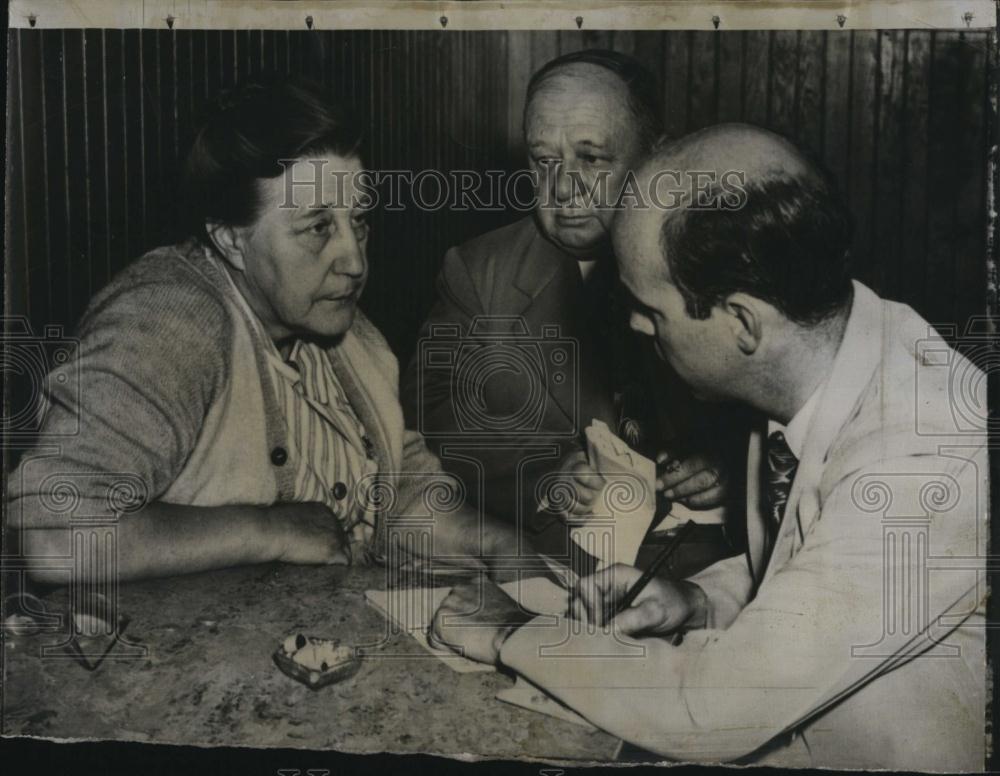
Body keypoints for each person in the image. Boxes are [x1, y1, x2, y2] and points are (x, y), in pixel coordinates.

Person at [429, 124, 987, 769]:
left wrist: (510, 632)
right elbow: (807, 562)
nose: (636, 326)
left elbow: (713, 711)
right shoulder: (818, 361)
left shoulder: (922, 462)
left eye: (651, 309)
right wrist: (699, 600)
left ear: (743, 322)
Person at [9, 78, 525, 583]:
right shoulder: (170, 321)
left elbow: (394, 487)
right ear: (231, 239)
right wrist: (266, 529)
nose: (353, 260)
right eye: (318, 227)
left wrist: (495, 543)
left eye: (359, 220)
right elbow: (55, 533)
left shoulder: (340, 326)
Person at [401, 50, 744, 569]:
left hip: (706, 572)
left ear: (655, 158)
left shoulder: (727, 264)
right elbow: (428, 418)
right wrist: (542, 478)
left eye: (591, 159)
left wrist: (732, 464)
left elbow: (774, 407)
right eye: (544, 161)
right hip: (552, 568)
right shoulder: (477, 271)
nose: (563, 188)